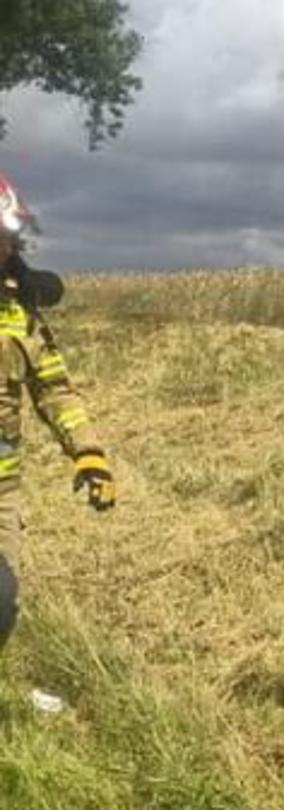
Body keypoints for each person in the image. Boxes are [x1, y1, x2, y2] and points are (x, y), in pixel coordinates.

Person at [0, 172, 114, 650]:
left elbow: (54, 389)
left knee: (0, 603)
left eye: (10, 240)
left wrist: (88, 453)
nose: (7, 249)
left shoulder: (19, 311)